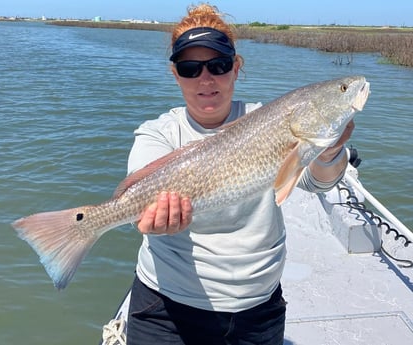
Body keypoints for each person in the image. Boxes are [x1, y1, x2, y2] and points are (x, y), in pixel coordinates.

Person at [125, 4, 354, 345]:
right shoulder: (158, 134)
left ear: (236, 68)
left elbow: (314, 181)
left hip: (257, 310)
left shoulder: (269, 120)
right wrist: (144, 217)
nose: (205, 79)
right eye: (190, 68)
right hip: (166, 308)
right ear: (175, 74)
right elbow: (138, 198)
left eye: (218, 65)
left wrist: (331, 150)